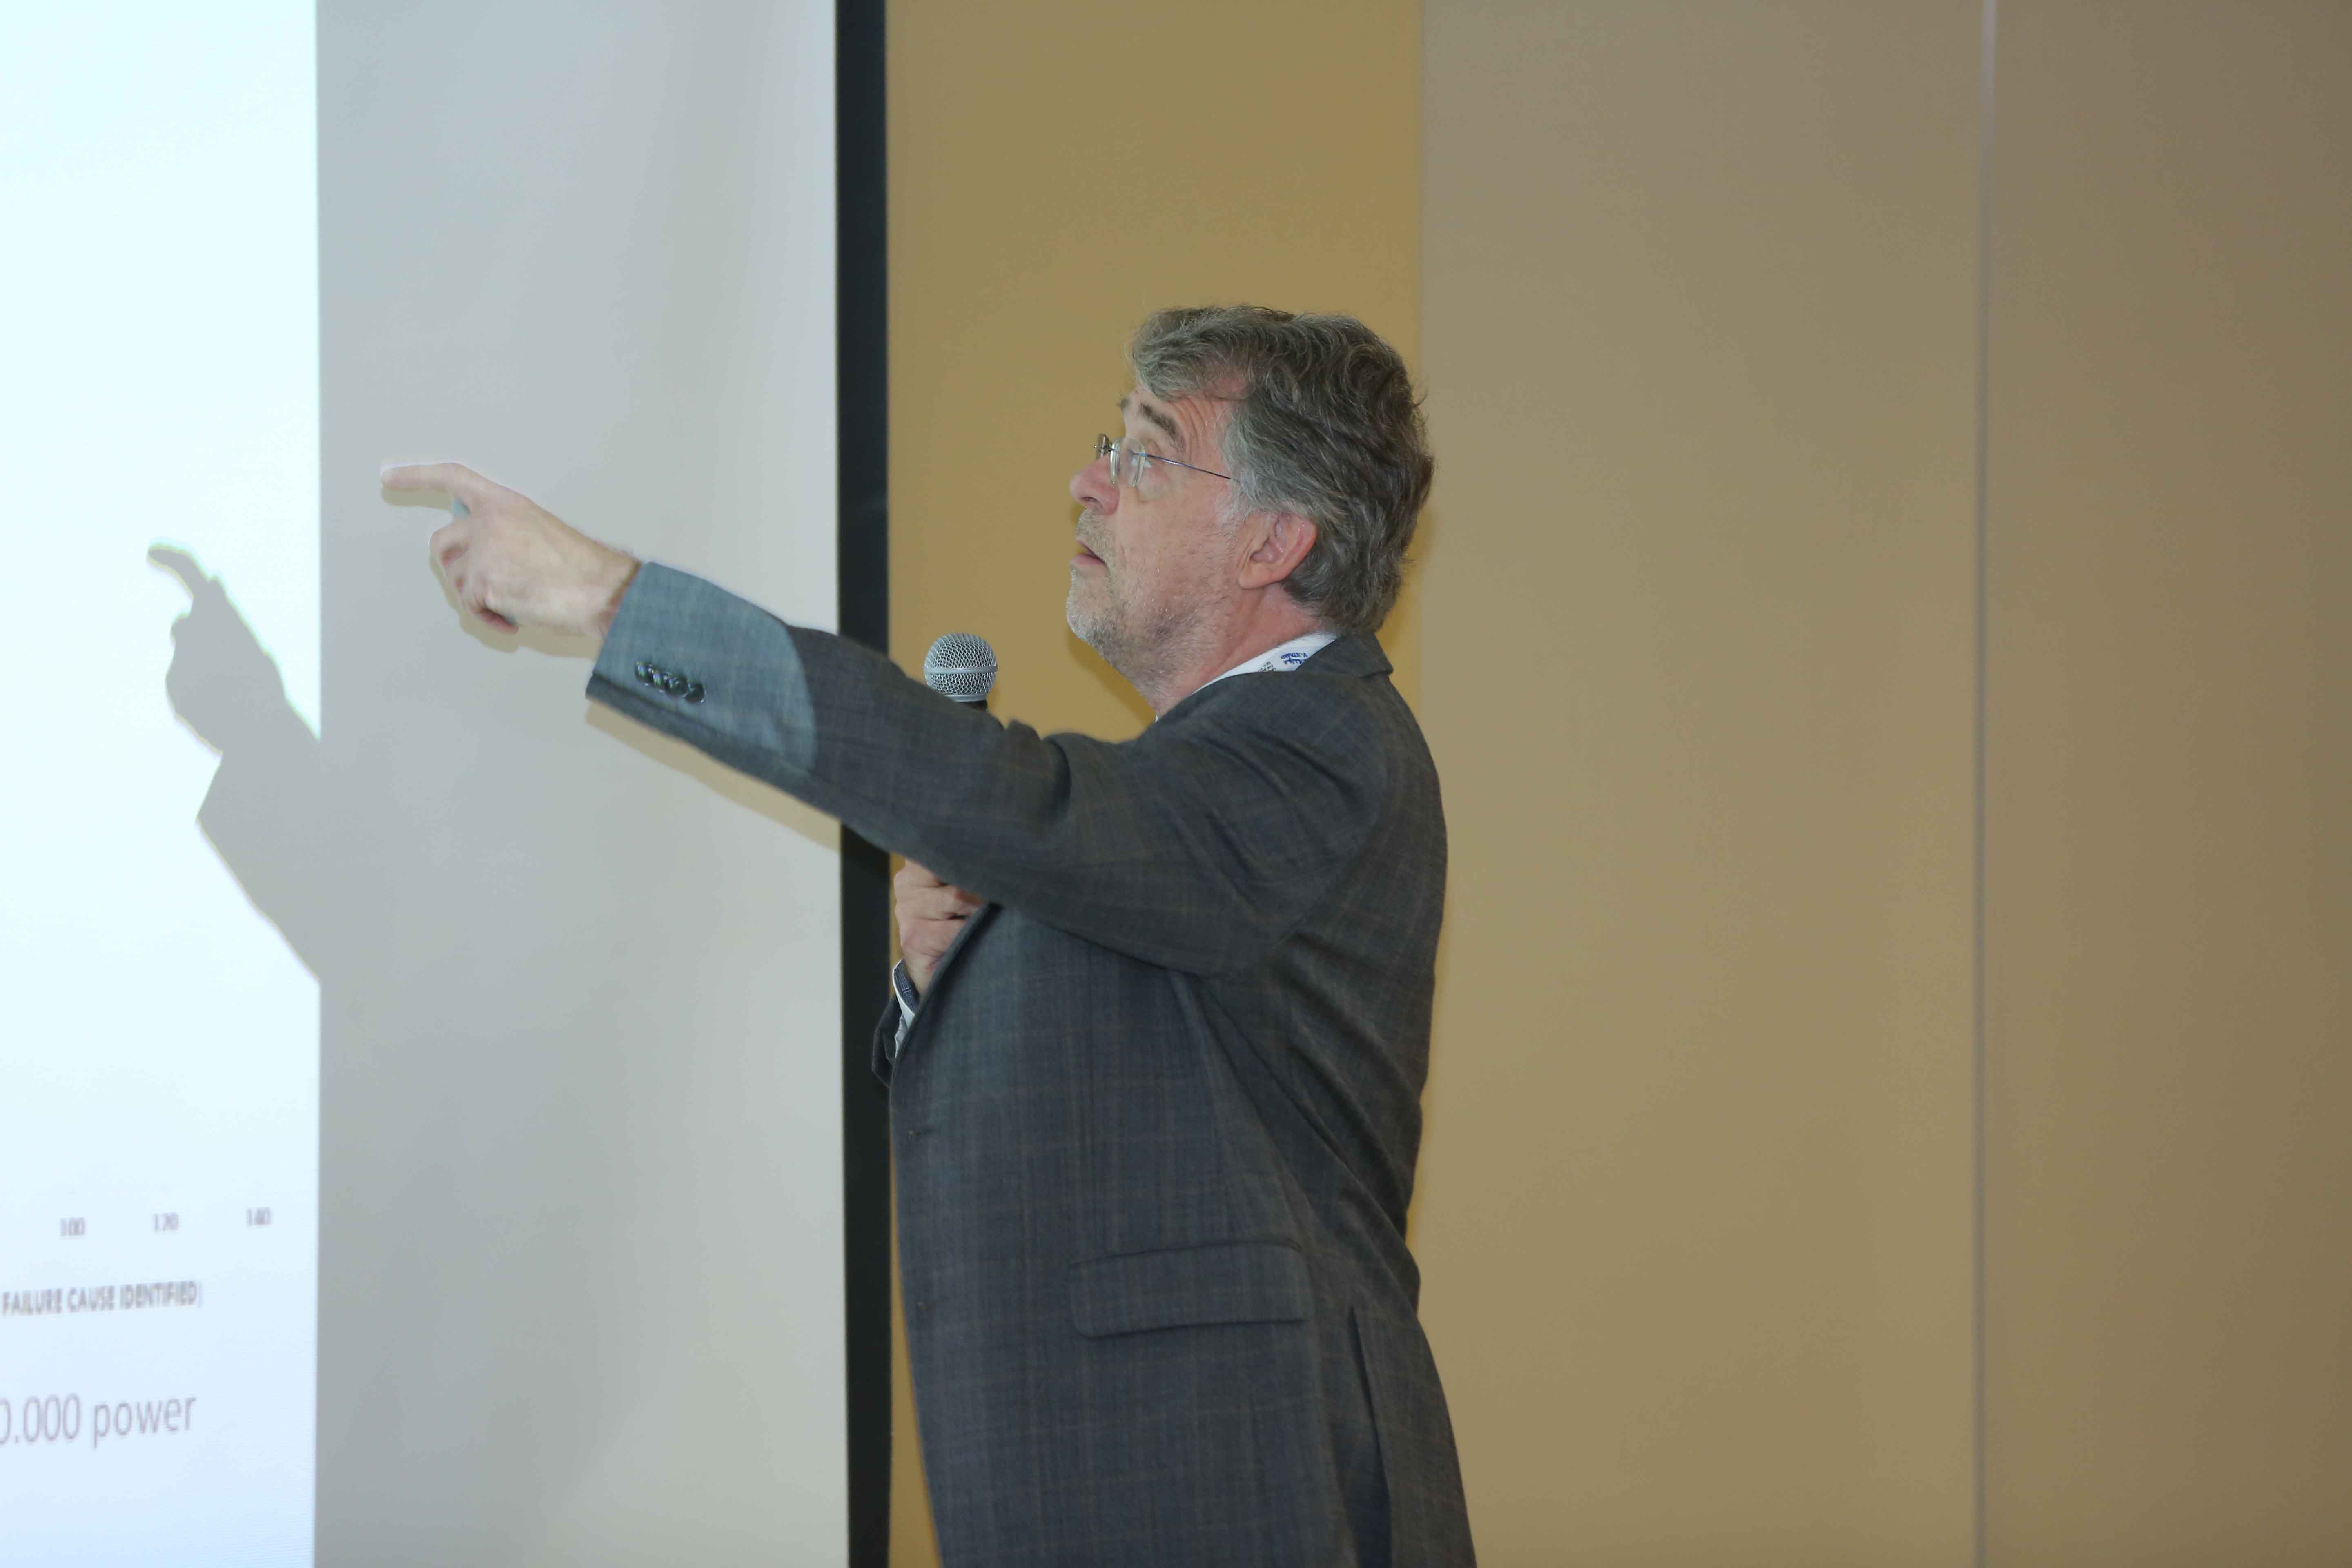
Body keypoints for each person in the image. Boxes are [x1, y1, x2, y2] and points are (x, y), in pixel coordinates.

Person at [383, 305, 1474, 1566]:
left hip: (1258, 1491)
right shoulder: (1190, 800)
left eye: (1145, 455)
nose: (1089, 485)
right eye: (1108, 446)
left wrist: (610, 600)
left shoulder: (1324, 744)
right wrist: (939, 982)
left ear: (1273, 542)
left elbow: (1022, 804)